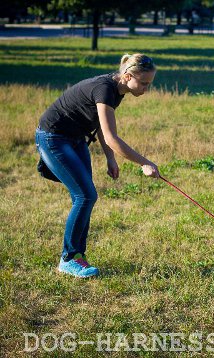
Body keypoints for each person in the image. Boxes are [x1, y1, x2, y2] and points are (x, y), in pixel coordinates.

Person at [35, 54, 160, 278]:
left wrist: (110, 158)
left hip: (76, 138)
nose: (146, 89)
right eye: (143, 83)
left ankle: (77, 256)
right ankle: (69, 259)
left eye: (148, 84)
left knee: (83, 197)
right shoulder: (104, 88)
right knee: (86, 196)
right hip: (54, 137)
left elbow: (102, 128)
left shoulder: (117, 91)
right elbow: (113, 137)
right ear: (128, 76)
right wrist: (144, 162)